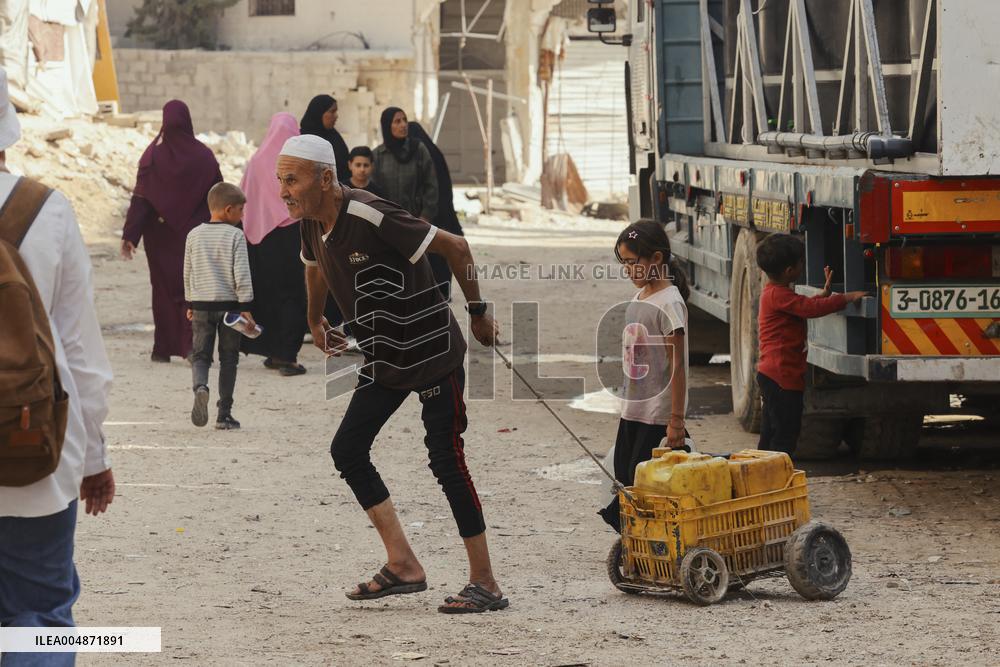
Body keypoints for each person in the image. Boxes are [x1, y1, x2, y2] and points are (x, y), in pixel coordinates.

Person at [277, 134, 507, 613]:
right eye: (280, 181)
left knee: (446, 459)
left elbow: (457, 247)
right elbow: (314, 268)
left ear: (324, 178)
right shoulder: (310, 223)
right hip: (384, 355)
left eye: (292, 180)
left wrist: (479, 311)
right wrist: (315, 319)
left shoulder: (371, 213)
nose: (284, 191)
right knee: (348, 449)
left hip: (431, 351)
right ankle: (403, 564)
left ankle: (485, 582)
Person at [0, 67, 115, 663]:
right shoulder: (45, 210)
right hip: (33, 447)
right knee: (39, 616)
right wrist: (93, 458)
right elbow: (79, 351)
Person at [598, 220, 690, 533]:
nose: (628, 270)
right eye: (623, 263)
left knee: (646, 484)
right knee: (624, 475)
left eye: (633, 263)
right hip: (634, 409)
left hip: (658, 414)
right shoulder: (641, 298)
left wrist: (676, 420)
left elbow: (677, 367)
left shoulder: (670, 303)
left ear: (656, 260)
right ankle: (637, 543)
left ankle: (649, 542)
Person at [121, 99, 223, 363]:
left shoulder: (153, 156)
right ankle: (192, 346)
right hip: (195, 237)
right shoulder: (204, 157)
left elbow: (141, 200)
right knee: (194, 290)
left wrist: (130, 235)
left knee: (164, 291)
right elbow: (218, 196)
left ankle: (163, 348)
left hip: (161, 237)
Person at [755, 234, 866, 455]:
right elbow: (809, 309)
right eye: (800, 263)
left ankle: (760, 474)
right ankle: (777, 480)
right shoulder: (778, 295)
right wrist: (846, 297)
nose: (802, 266)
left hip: (774, 376)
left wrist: (824, 295)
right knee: (785, 437)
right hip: (782, 378)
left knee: (770, 435)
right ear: (789, 271)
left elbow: (802, 305)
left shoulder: (775, 293)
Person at [239, 112, 308, 376]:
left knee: (268, 294)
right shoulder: (299, 162)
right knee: (294, 296)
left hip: (261, 238)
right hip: (294, 236)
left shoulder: (256, 161)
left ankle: (273, 351)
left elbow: (244, 196)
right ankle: (287, 356)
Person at [183, 182, 254, 430]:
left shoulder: (193, 234)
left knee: (201, 355)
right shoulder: (235, 236)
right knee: (229, 359)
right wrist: (246, 305)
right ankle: (224, 414)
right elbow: (241, 273)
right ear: (227, 210)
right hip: (230, 310)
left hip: (201, 304)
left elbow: (188, 272)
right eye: (241, 210)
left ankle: (200, 387)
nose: (242, 216)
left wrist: (190, 300)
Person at [407, 121, 465, 299]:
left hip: (430, 212)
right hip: (442, 211)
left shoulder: (421, 155)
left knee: (434, 255)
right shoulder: (434, 152)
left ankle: (436, 294)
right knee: (440, 255)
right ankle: (442, 293)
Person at [373, 107, 438, 225]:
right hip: (387, 221)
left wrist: (425, 216)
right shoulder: (378, 155)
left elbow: (431, 185)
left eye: (405, 120)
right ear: (387, 126)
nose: (403, 125)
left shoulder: (418, 150)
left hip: (415, 219)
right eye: (397, 121)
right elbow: (372, 190)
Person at [300, 93, 350, 184]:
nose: (336, 116)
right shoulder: (304, 141)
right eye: (332, 111)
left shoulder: (334, 136)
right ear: (319, 113)